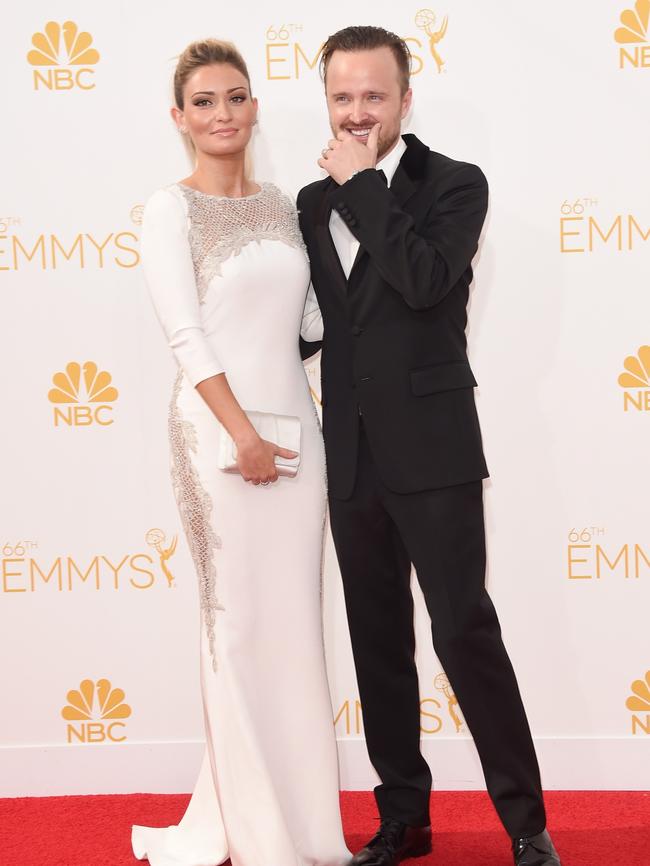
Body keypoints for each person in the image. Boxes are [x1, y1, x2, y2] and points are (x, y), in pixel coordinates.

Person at [297, 25, 562, 866]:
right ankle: (404, 820)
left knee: (462, 633)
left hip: (436, 448)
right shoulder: (311, 202)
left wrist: (366, 186)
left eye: (374, 96)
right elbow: (316, 324)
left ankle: (527, 827)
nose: (358, 111)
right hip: (352, 452)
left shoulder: (453, 185)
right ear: (327, 101)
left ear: (406, 99)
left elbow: (422, 281)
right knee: (378, 643)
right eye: (343, 97)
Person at [131, 38, 350, 866]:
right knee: (235, 623)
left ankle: (303, 826)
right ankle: (259, 835)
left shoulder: (284, 205)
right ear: (180, 119)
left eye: (235, 97)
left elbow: (308, 329)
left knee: (293, 627)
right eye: (204, 102)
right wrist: (242, 433)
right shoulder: (169, 209)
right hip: (217, 435)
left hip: (299, 438)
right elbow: (186, 335)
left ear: (254, 107)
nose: (222, 114)